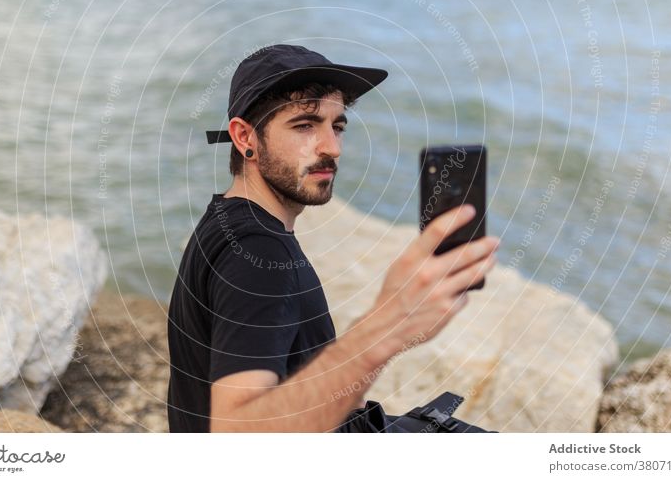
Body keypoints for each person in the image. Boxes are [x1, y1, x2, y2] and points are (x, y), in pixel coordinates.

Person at [167, 44, 500, 432]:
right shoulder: (257, 252)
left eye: (337, 126)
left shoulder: (227, 221)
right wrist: (388, 325)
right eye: (305, 125)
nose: (333, 148)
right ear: (245, 138)